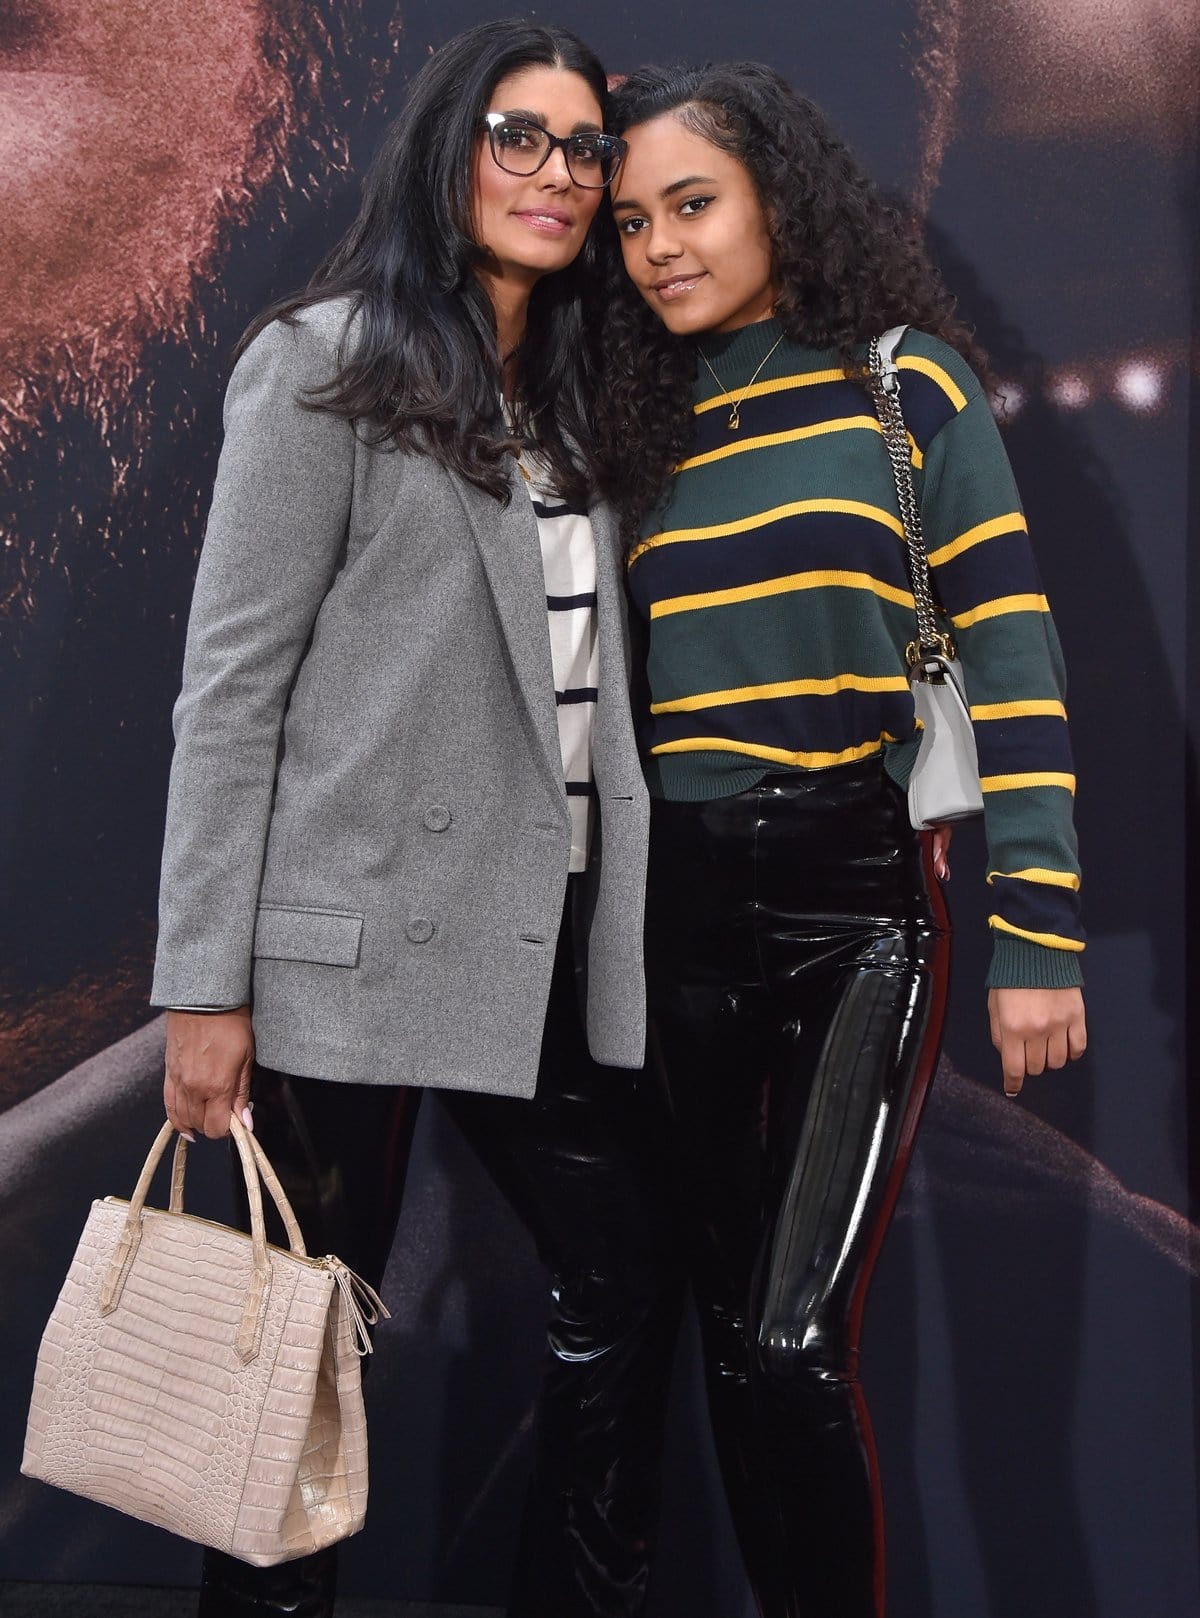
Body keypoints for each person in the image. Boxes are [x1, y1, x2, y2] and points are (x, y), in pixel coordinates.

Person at [151, 23, 681, 1618]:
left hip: (551, 938)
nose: (560, 176)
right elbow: (230, 693)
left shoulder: (587, 394)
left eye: (587, 149)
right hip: (343, 954)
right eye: (521, 137)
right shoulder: (321, 362)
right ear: (449, 151)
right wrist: (202, 988)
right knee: (288, 1356)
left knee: (630, 1276)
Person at [593, 62, 1088, 1617]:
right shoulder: (634, 421)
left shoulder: (905, 384)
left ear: (776, 200)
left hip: (857, 910)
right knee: (730, 1328)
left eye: (693, 204)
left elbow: (1014, 671)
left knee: (796, 1333)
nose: (660, 246)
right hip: (675, 913)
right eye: (629, 223)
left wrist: (1040, 941)